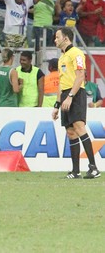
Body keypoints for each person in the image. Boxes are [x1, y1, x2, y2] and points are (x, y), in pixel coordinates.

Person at [52, 27, 100, 179]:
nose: (55, 40)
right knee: (70, 132)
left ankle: (93, 168)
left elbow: (80, 77)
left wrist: (71, 96)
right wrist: (57, 105)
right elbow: (61, 82)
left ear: (66, 38)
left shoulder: (77, 53)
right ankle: (75, 171)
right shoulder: (61, 58)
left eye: (57, 37)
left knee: (79, 127)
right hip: (66, 94)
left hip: (76, 93)